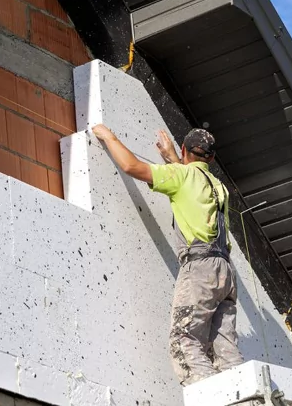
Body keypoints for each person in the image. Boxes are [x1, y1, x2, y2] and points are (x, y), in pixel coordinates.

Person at [91, 123, 243, 386]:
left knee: (185, 341)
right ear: (212, 158)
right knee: (225, 352)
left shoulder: (182, 177)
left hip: (200, 269)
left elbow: (132, 167)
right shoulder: (219, 186)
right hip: (225, 272)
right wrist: (174, 159)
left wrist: (109, 136)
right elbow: (192, 185)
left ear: (184, 150)